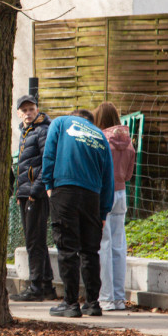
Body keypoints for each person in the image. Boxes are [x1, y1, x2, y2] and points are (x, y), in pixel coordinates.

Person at [41, 108, 115, 318]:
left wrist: (48, 183)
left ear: (74, 115)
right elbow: (108, 177)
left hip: (65, 189)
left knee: (67, 247)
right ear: (90, 121)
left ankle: (70, 303)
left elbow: (49, 153)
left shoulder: (61, 122)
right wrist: (103, 212)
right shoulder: (100, 135)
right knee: (90, 251)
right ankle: (93, 303)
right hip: (92, 195)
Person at [10, 95, 56, 302]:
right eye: (24, 110)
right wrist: (20, 192)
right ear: (19, 113)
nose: (28, 113)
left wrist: (34, 191)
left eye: (31, 109)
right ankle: (46, 285)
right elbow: (25, 164)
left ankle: (36, 286)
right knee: (34, 239)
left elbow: (47, 163)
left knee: (34, 240)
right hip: (26, 193)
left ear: (37, 109)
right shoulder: (24, 131)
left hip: (35, 194)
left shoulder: (42, 130)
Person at [94, 101, 136, 312]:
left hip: (104, 193)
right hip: (121, 193)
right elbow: (128, 174)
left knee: (104, 245)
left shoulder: (101, 140)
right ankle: (119, 298)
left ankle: (106, 298)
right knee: (119, 245)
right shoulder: (128, 142)